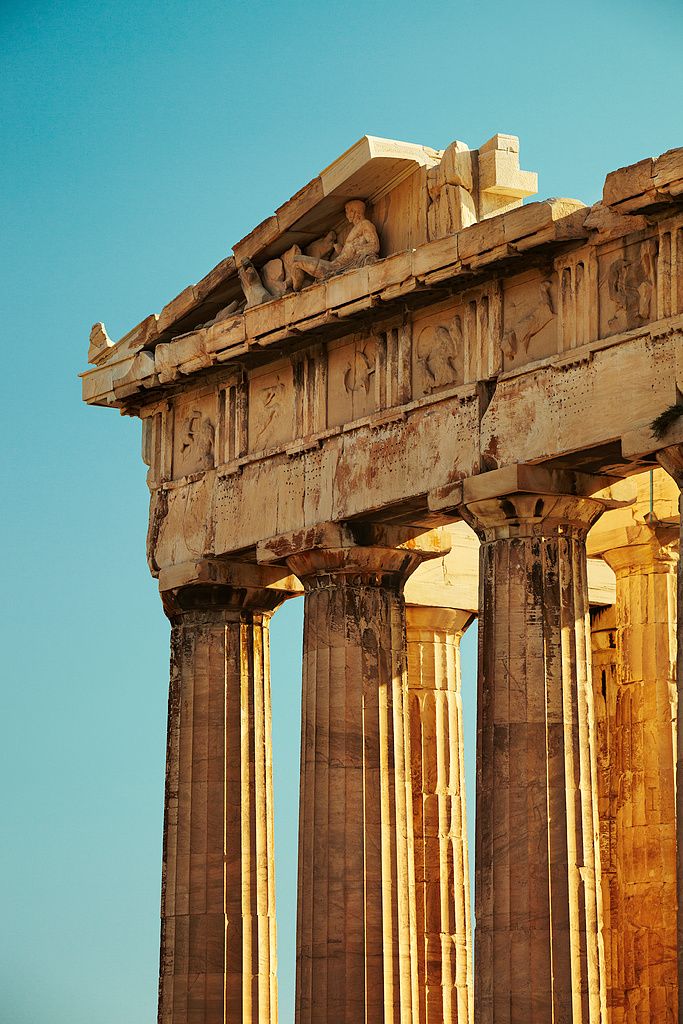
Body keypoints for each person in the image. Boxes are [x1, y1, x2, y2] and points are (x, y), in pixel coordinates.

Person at [293, 199, 380, 280]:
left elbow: (375, 246)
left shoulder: (365, 224)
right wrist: (341, 250)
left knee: (298, 260)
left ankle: (292, 286)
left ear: (354, 212)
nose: (346, 215)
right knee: (297, 260)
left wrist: (355, 249)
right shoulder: (356, 227)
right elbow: (348, 252)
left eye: (347, 212)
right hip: (338, 264)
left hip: (338, 267)